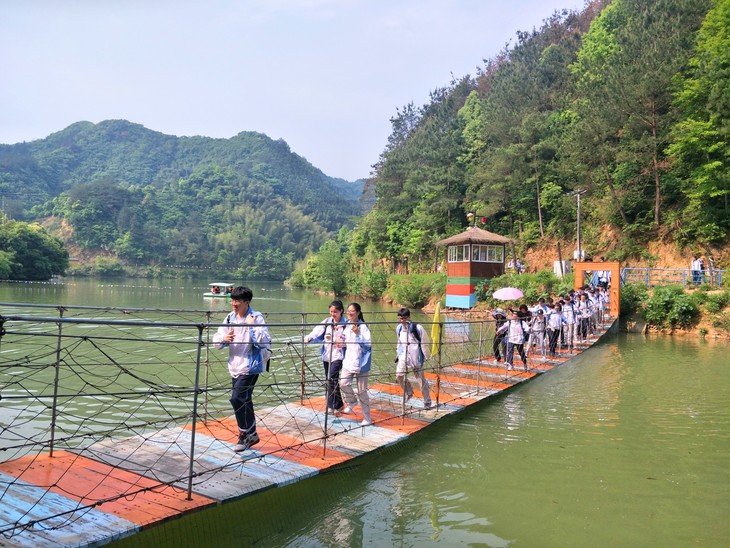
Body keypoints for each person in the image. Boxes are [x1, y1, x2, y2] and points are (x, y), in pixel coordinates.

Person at [213, 286, 271, 452]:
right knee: (244, 399)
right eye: (232, 300)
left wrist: (252, 326)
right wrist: (224, 338)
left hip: (250, 366)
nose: (234, 304)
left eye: (237, 301)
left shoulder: (256, 317)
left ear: (247, 302)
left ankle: (243, 434)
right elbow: (217, 341)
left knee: (237, 398)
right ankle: (252, 434)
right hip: (235, 365)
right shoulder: (230, 318)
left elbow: (264, 342)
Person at [303, 300, 346, 413]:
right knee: (330, 380)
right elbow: (317, 332)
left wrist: (341, 341)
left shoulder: (346, 324)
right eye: (331, 312)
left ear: (341, 311)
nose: (333, 314)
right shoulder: (327, 322)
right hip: (327, 355)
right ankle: (338, 404)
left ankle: (332, 406)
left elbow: (350, 340)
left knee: (331, 378)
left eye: (335, 312)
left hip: (339, 356)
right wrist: (309, 338)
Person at [339, 303, 373, 426]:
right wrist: (340, 342)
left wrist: (358, 333)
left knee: (362, 391)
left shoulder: (363, 327)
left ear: (358, 312)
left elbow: (367, 346)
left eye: (352, 311)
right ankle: (352, 401)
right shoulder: (347, 325)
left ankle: (367, 418)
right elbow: (345, 341)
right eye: (348, 311)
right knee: (343, 383)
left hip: (361, 362)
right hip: (348, 360)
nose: (350, 313)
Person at [395, 307, 432, 409]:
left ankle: (427, 401)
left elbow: (425, 342)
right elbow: (399, 342)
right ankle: (408, 391)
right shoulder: (398, 328)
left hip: (416, 356)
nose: (402, 320)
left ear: (409, 317)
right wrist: (398, 354)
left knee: (421, 380)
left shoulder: (417, 328)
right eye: (400, 318)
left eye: (404, 318)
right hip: (404, 355)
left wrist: (426, 356)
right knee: (399, 376)